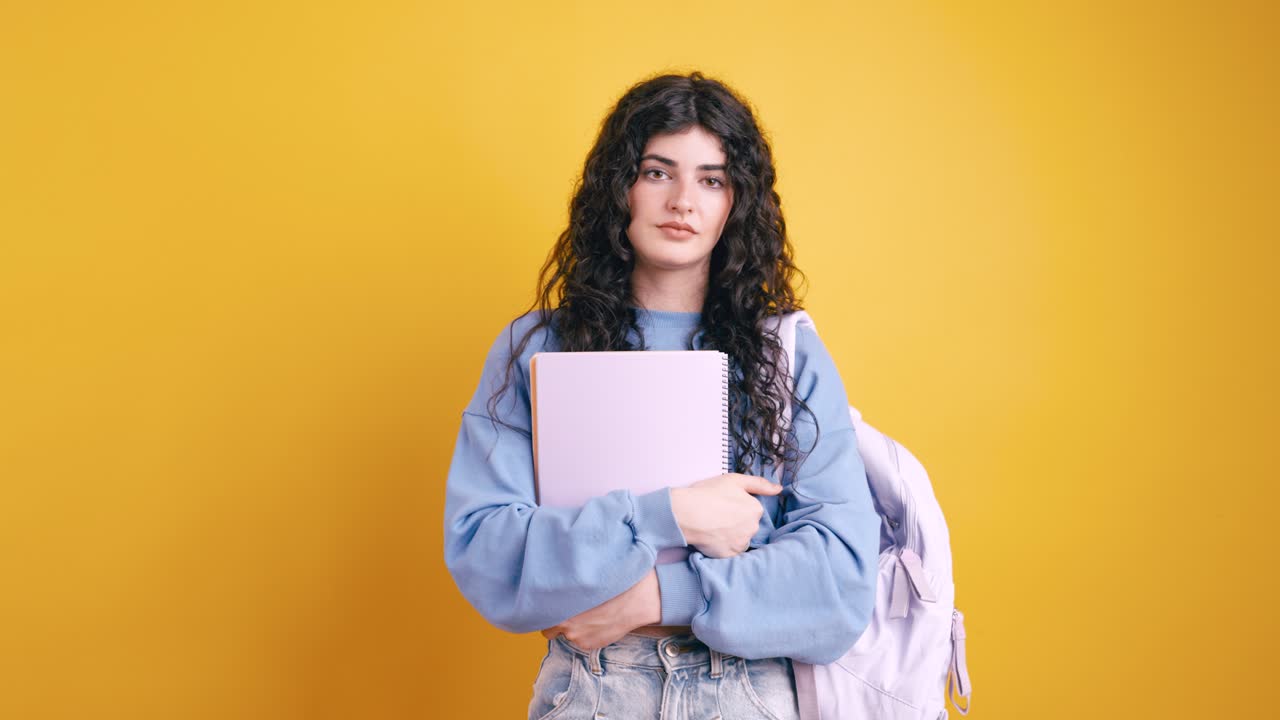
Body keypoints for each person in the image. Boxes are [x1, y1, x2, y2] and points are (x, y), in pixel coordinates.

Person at [443, 71, 880, 720]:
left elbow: (840, 586)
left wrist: (654, 596)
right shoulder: (537, 346)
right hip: (594, 691)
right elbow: (487, 555)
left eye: (711, 179)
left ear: (736, 203)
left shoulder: (786, 351)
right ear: (618, 186)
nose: (683, 200)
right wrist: (667, 513)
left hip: (749, 693)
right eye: (657, 171)